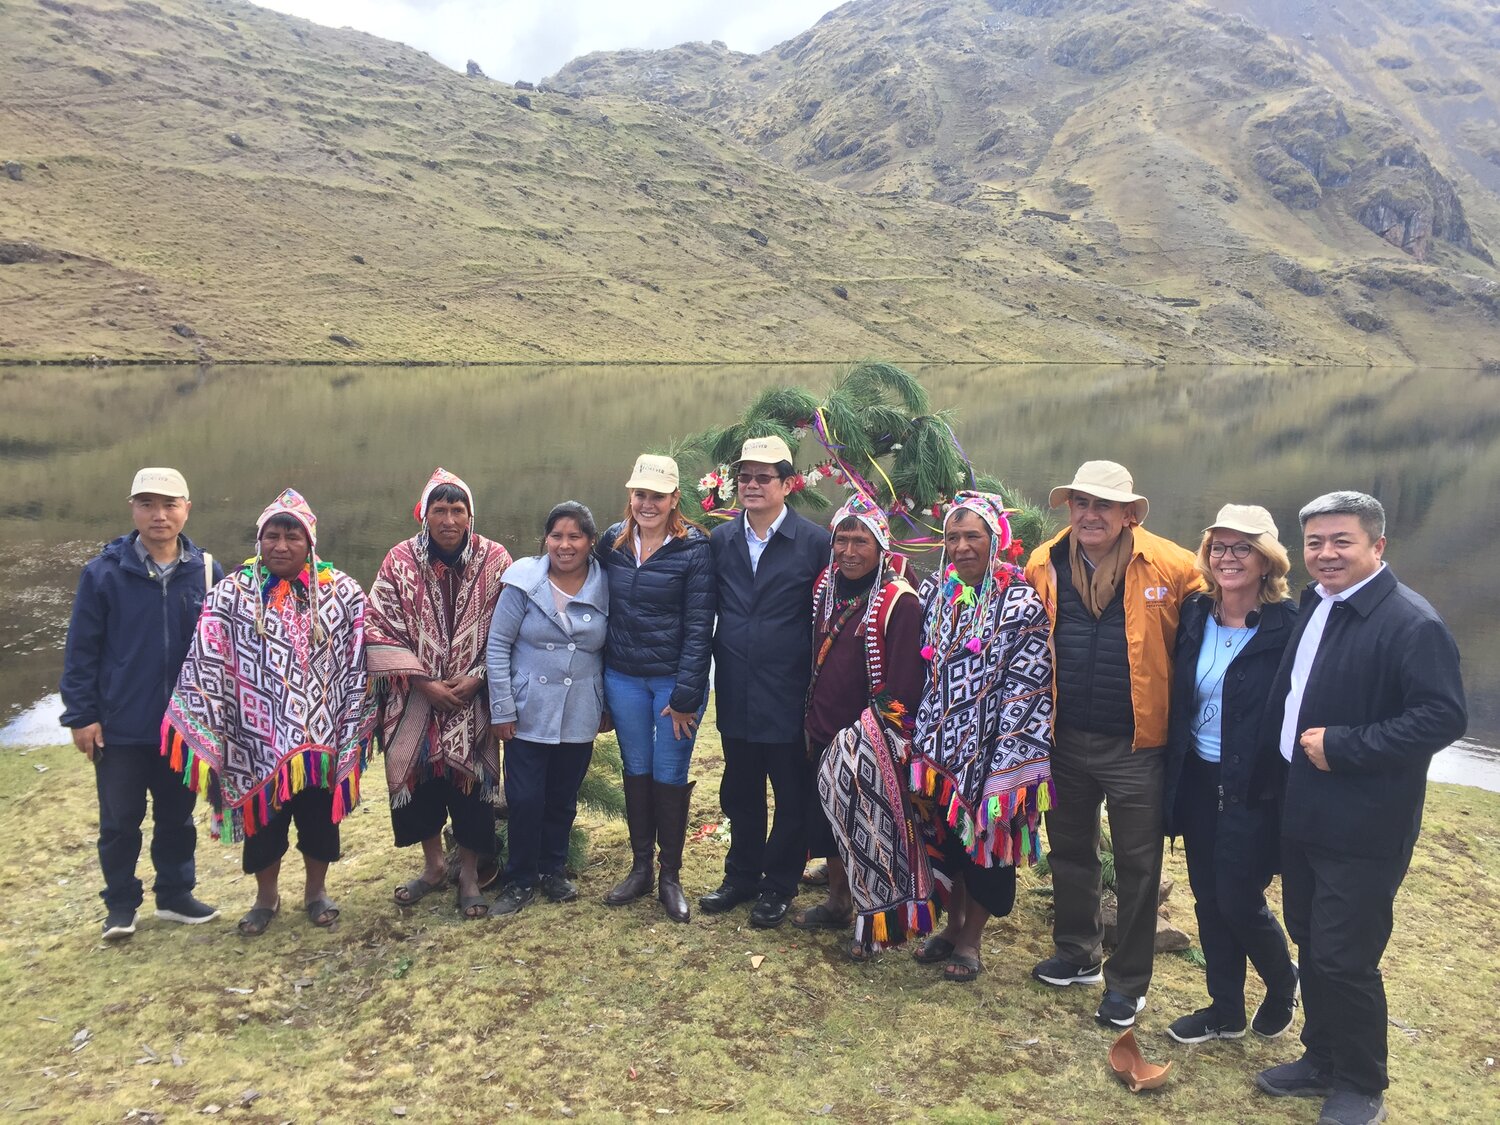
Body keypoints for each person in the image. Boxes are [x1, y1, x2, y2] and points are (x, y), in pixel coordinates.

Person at [1255, 492, 1466, 1125]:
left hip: (1365, 820)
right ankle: (1320, 1056)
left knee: (1346, 955)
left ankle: (1361, 1081)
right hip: (1304, 808)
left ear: (1377, 546)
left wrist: (1346, 746)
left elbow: (1443, 716)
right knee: (1312, 937)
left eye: (1341, 541)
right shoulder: (1318, 604)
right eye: (1315, 542)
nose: (1325, 554)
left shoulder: (1411, 622)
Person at [1026, 460, 1202, 1027]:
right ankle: (1078, 953)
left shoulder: (1175, 567)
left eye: (1103, 505)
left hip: (1137, 746)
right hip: (1065, 737)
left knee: (1137, 863)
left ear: (1129, 514)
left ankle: (1129, 983)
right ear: (1069, 508)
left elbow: (1222, 627)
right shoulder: (1043, 562)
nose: (1090, 514)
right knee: (1071, 851)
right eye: (1081, 502)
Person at [162, 488, 373, 935]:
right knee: (264, 824)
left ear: (310, 543)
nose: (281, 545)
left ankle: (316, 893)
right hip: (254, 738)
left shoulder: (343, 593)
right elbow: (206, 656)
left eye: (292, 537)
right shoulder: (231, 594)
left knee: (319, 820)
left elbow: (360, 656)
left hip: (322, 737)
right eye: (272, 536)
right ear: (259, 540)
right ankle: (266, 897)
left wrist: (352, 715)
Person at [60, 467, 224, 941]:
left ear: (186, 509)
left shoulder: (209, 571)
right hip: (120, 726)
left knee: (176, 816)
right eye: (148, 504)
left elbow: (231, 644)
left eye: (170, 504)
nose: (159, 515)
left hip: (183, 727)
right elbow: (82, 651)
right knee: (119, 822)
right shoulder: (103, 573)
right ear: (133, 508)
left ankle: (175, 895)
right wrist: (82, 716)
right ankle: (120, 906)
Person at [1162, 505, 1299, 1044]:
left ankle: (1282, 981)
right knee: (1205, 895)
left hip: (1254, 783)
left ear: (1267, 560)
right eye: (1219, 547)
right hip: (1197, 773)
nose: (1228, 557)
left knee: (1239, 895)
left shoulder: (1290, 626)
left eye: (1242, 547)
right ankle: (1225, 1009)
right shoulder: (1196, 613)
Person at [909, 492, 1055, 981]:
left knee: (987, 845)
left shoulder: (1020, 602)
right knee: (949, 840)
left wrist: (1009, 761)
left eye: (974, 536)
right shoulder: (936, 590)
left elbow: (1031, 685)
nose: (962, 546)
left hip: (996, 746)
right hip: (940, 751)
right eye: (953, 537)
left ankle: (972, 939)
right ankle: (951, 927)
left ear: (997, 539)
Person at [366, 469, 512, 919]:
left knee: (471, 789)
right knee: (421, 782)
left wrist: (479, 675)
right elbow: (377, 624)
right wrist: (423, 682)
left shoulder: (496, 559)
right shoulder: (398, 560)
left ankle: (468, 875)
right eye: (439, 510)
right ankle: (432, 867)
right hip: (414, 698)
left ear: (470, 515)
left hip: (473, 697)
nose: (449, 519)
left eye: (457, 510)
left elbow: (509, 624)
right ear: (424, 514)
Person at [699, 436, 830, 929]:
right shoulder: (721, 541)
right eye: (745, 477)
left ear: (787, 484)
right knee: (739, 788)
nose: (752, 486)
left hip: (790, 691)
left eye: (763, 477)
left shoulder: (814, 543)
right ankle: (742, 876)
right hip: (734, 685)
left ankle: (779, 885)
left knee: (792, 794)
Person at [791, 494, 926, 959]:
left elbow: (906, 682)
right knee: (831, 823)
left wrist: (871, 736)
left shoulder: (899, 601)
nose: (849, 550)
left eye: (860, 541)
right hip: (824, 727)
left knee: (870, 831)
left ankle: (876, 929)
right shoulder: (826, 585)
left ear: (880, 544)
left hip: (870, 739)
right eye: (841, 540)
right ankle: (838, 902)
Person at [597, 455, 715, 923]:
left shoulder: (695, 548)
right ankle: (641, 866)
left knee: (669, 770)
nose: (647, 503)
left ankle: (671, 875)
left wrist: (686, 694)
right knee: (636, 768)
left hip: (673, 683)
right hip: (623, 676)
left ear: (674, 500)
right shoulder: (612, 541)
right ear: (631, 495)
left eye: (657, 496)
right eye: (640, 494)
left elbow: (700, 624)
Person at [486, 501, 609, 916]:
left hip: (578, 710)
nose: (565, 545)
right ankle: (519, 878)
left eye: (575, 536)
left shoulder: (606, 585)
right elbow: (498, 645)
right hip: (526, 709)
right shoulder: (521, 581)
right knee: (523, 799)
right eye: (556, 535)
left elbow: (614, 650)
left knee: (562, 797)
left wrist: (604, 706)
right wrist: (501, 708)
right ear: (545, 539)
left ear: (591, 542)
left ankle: (553, 870)